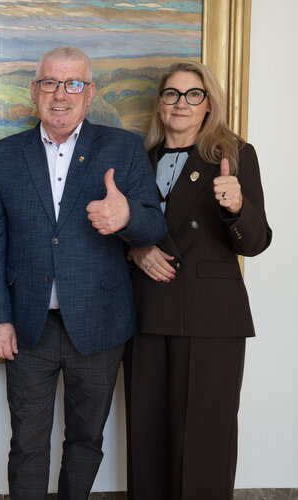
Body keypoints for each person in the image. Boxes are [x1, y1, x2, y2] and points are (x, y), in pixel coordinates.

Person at [0, 46, 166, 499]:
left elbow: (154, 225)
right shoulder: (3, 155)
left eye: (73, 84)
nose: (60, 94)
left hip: (101, 324)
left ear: (90, 92)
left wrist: (126, 218)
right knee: (27, 444)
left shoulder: (123, 147)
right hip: (29, 327)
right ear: (34, 90)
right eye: (50, 83)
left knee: (86, 440)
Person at [124, 60, 271, 500]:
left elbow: (256, 243)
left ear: (208, 104)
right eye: (172, 93)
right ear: (160, 103)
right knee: (147, 441)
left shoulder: (235, 156)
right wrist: (136, 249)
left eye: (194, 94)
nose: (181, 103)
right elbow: (121, 230)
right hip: (147, 314)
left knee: (204, 441)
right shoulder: (138, 160)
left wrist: (237, 207)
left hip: (210, 320)